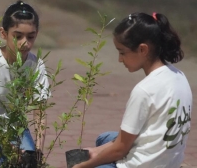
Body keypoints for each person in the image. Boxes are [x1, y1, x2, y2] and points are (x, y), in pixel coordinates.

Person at [73, 12, 193, 168]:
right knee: (105, 138)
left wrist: (83, 166)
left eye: (122, 52)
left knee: (99, 160)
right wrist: (96, 151)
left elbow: (120, 150)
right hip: (168, 161)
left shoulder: (145, 90)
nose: (119, 59)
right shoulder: (179, 76)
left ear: (143, 49)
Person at [0, 0, 50, 167]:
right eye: (18, 36)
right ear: (3, 34)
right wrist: (9, 147)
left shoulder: (36, 65)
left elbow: (40, 111)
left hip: (15, 125)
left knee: (29, 162)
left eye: (30, 37)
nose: (25, 43)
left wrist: (38, 150)